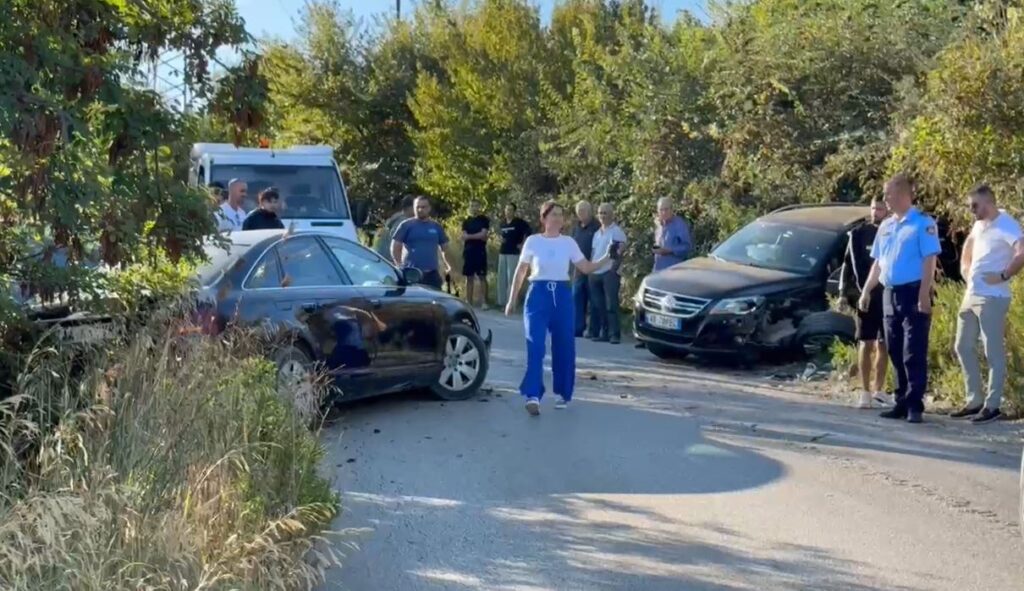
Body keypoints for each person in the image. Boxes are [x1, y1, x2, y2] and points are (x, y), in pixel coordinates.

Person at [505, 201, 614, 416]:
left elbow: (586, 267)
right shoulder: (533, 241)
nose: (557, 218)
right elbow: (521, 271)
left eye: (560, 215)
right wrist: (512, 299)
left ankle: (562, 393)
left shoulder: (568, 243)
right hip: (538, 295)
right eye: (553, 214)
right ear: (543, 218)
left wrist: (608, 257)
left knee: (564, 345)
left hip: (562, 296)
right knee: (535, 345)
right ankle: (533, 395)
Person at [859, 173, 941, 424]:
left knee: (912, 350)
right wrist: (866, 290)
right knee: (893, 347)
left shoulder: (922, 223)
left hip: (913, 292)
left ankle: (915, 405)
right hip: (889, 293)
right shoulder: (886, 226)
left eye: (889, 194)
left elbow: (929, 259)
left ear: (904, 194)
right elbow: (878, 263)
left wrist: (924, 293)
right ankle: (901, 401)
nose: (886, 199)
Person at [951, 184, 1024, 424]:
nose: (971, 210)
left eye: (975, 205)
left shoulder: (1007, 224)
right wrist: (965, 268)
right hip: (971, 294)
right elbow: (969, 245)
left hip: (992, 297)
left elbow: (1021, 251)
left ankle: (993, 405)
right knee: (963, 346)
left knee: (992, 351)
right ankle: (974, 400)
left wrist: (1004, 275)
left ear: (988, 203)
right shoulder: (979, 225)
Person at [839, 198, 891, 409]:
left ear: (887, 210)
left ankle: (879, 390)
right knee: (866, 342)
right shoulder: (859, 234)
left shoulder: (892, 231)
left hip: (888, 295)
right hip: (865, 295)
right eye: (873, 208)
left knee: (884, 343)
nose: (876, 212)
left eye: (880, 209)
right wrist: (843, 293)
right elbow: (847, 264)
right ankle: (865, 392)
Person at [391, 196, 453, 289]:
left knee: (435, 297)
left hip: (432, 274)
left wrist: (449, 266)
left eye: (423, 207)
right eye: (417, 207)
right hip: (412, 273)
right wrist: (399, 266)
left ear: (429, 208)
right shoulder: (406, 225)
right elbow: (395, 247)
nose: (420, 210)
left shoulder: (436, 227)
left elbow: (445, 248)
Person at [588, 203, 628, 344]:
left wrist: (613, 270)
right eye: (600, 213)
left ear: (612, 214)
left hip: (609, 272)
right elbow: (593, 253)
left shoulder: (616, 232)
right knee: (599, 305)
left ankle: (614, 334)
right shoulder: (597, 234)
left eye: (605, 213)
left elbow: (620, 251)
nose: (603, 216)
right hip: (596, 272)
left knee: (611, 305)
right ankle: (604, 333)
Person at [571, 201, 600, 338]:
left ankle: (594, 330)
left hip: (593, 267)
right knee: (576, 297)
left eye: (583, 210)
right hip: (578, 268)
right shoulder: (576, 227)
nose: (581, 213)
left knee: (594, 300)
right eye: (579, 211)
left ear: (590, 211)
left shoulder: (597, 227)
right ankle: (577, 328)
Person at [497, 203, 532, 308]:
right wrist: (500, 239)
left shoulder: (519, 223)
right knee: (502, 278)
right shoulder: (502, 223)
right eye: (507, 209)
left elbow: (529, 231)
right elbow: (500, 234)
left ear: (514, 211)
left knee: (511, 277)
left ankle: (512, 303)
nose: (508, 212)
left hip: (514, 253)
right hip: (503, 252)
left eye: (511, 210)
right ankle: (501, 303)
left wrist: (523, 244)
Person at [462, 200, 491, 309]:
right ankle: (469, 302)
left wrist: (469, 236)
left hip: (480, 251)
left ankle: (484, 302)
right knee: (469, 277)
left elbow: (483, 235)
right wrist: (476, 236)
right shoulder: (466, 221)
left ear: (479, 207)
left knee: (482, 276)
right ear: (470, 207)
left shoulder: (484, 220)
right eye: (472, 206)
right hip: (468, 251)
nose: (474, 208)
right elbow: (464, 235)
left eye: (476, 206)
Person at [653, 197, 693, 272]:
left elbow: (687, 247)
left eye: (666, 209)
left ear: (672, 209)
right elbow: (659, 245)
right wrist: (656, 249)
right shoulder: (659, 226)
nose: (664, 212)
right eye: (661, 210)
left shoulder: (679, 224)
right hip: (658, 270)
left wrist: (670, 250)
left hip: (674, 271)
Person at [375, 196, 415, 262]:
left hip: (383, 258)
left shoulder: (396, 219)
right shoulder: (402, 222)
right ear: (410, 208)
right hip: (389, 261)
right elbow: (396, 243)